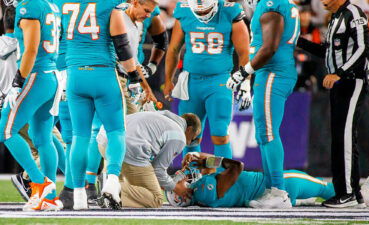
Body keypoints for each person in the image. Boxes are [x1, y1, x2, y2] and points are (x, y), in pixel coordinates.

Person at [61, 0, 144, 210]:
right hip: (103, 74)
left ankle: (78, 193)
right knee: (116, 130)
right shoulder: (109, 5)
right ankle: (112, 180)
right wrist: (134, 76)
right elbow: (122, 46)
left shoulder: (61, 3)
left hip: (75, 75)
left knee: (79, 136)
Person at [297, 0, 369, 208]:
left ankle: (347, 193)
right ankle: (351, 192)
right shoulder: (336, 17)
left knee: (345, 137)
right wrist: (298, 41)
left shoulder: (353, 12)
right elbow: (327, 52)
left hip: (352, 81)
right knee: (341, 138)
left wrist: (339, 73)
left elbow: (362, 48)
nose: (322, 1)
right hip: (340, 83)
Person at [226, 0, 300, 208]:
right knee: (263, 134)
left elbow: (269, 49)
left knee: (268, 133)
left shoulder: (271, 5)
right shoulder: (281, 5)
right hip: (274, 73)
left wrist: (243, 72)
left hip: (273, 74)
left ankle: (278, 191)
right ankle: (272, 189)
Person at [163, 0, 250, 159]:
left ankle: (222, 178)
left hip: (220, 81)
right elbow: (174, 49)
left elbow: (244, 53)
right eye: (199, 11)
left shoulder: (230, 12)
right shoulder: (184, 11)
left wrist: (245, 82)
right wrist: (168, 79)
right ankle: (192, 178)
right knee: (189, 136)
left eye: (205, 11)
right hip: (191, 82)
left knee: (220, 134)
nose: (202, 14)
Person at [0, 0, 62, 211]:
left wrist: (17, 82)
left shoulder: (29, 6)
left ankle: (39, 183)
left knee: (5, 131)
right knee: (42, 137)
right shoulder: (50, 5)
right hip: (50, 75)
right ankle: (49, 197)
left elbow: (31, 49)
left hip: (35, 76)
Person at [166, 153, 369, 208]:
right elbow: (236, 166)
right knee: (334, 191)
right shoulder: (204, 189)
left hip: (265, 194)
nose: (182, 178)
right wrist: (205, 160)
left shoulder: (203, 196)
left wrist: (200, 162)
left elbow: (216, 175)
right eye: (179, 183)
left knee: (317, 192)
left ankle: (300, 201)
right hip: (280, 184)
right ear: (183, 194)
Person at [96, 110, 201, 208]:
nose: (189, 143)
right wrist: (176, 187)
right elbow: (158, 170)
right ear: (189, 129)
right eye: (193, 138)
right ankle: (111, 188)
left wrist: (165, 182)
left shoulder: (162, 115)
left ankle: (110, 179)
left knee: (134, 184)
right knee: (156, 198)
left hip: (104, 141)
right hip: (128, 150)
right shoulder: (179, 136)